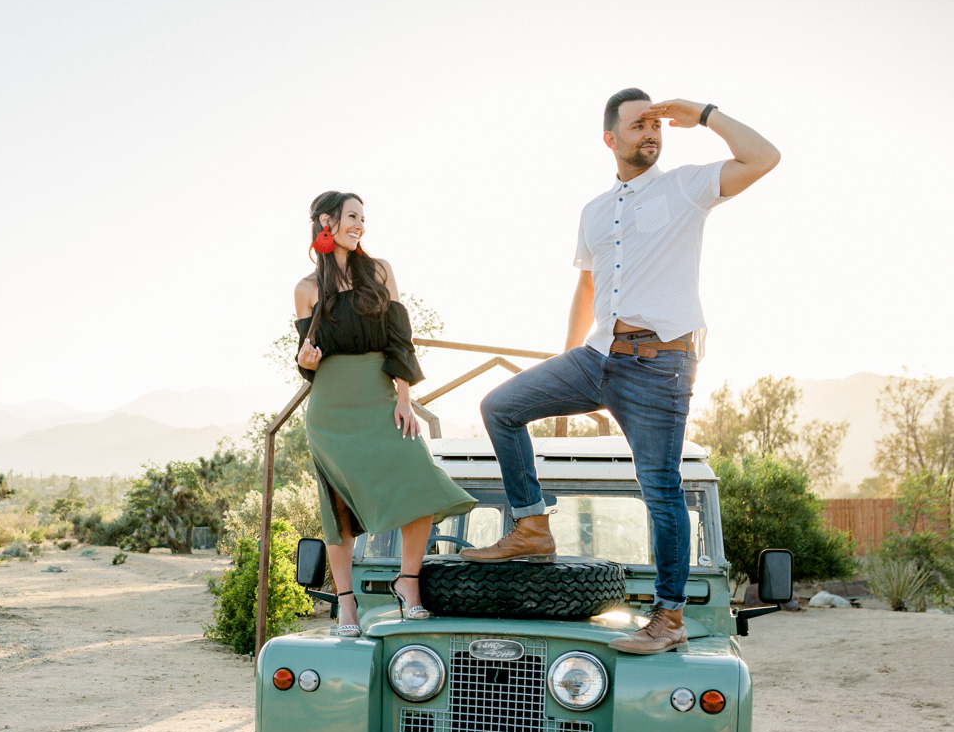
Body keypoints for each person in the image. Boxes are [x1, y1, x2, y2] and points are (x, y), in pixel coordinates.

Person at [461, 89, 780, 654]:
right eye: (638, 125)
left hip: (661, 364)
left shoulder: (686, 185)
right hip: (597, 356)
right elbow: (586, 286)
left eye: (655, 124)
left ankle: (669, 617)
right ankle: (532, 526)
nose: (651, 132)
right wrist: (563, 355)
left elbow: (764, 157)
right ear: (611, 138)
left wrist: (703, 115)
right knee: (500, 407)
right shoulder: (592, 210)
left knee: (661, 490)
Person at [295, 191, 475, 636]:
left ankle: (408, 582)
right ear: (326, 222)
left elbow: (400, 338)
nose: (360, 225)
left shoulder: (379, 272)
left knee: (419, 481)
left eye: (362, 218)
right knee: (338, 509)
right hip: (330, 408)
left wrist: (404, 396)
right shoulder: (306, 289)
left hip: (380, 394)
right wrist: (306, 361)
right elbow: (305, 363)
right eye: (352, 217)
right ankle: (347, 604)